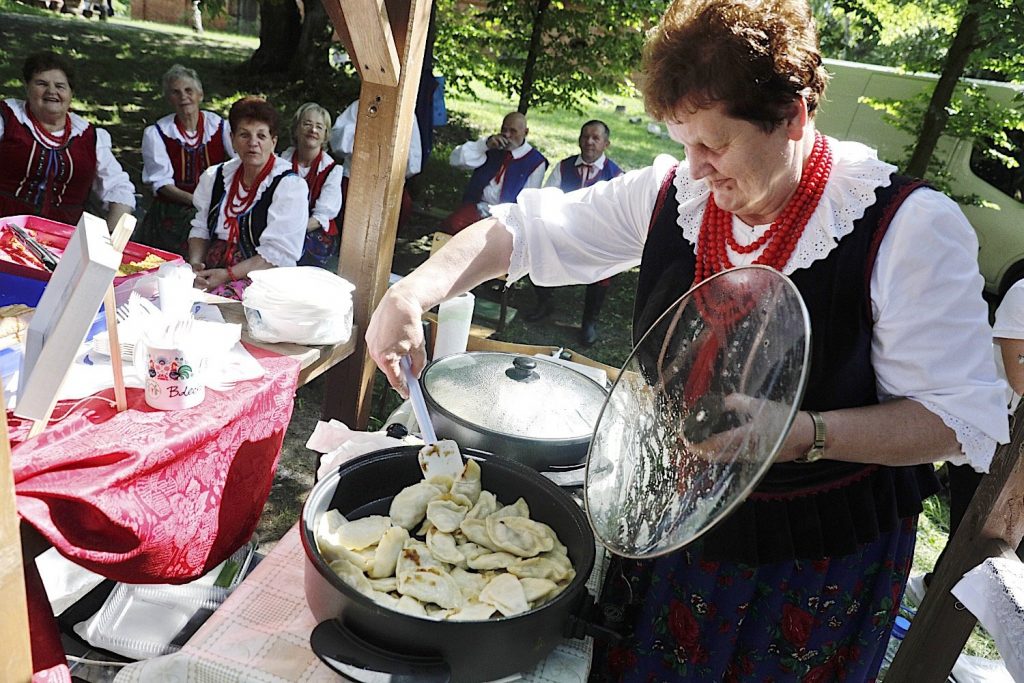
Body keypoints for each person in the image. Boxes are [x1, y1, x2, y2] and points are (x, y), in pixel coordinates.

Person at [365, 0, 1010, 679]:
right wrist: (411, 291)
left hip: (805, 571)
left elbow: (958, 419)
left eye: (716, 143)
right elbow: (525, 232)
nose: (696, 166)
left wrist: (805, 433)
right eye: (683, 141)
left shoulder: (905, 229)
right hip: (665, 540)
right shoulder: (681, 196)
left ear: (793, 114)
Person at [187, 96, 307, 300]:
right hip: (213, 268)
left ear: (274, 142)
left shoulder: (289, 187)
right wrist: (195, 265)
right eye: (244, 135)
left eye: (261, 136)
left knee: (217, 303)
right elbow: (201, 227)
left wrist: (228, 275)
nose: (253, 143)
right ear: (233, 140)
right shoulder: (215, 177)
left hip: (261, 275)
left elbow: (277, 254)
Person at [0, 51, 135, 231]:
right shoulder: (8, 118)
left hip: (62, 239)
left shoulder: (89, 137)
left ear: (71, 93)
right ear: (27, 87)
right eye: (41, 83)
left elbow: (119, 187)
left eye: (60, 86)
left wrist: (110, 241)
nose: (51, 91)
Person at [527, 120, 624, 345]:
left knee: (604, 267)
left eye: (595, 138)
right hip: (563, 230)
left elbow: (616, 216)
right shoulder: (563, 167)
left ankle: (589, 321)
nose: (589, 142)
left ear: (606, 144)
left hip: (595, 239)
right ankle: (544, 301)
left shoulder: (617, 176)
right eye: (585, 136)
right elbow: (547, 197)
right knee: (536, 246)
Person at [137, 64, 234, 256]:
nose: (183, 97)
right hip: (175, 209)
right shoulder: (157, 133)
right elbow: (163, 184)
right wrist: (198, 202)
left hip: (216, 204)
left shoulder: (220, 126)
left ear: (200, 94)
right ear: (169, 99)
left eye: (189, 90)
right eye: (176, 92)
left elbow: (242, 161)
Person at [441, 111, 547, 234]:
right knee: (453, 225)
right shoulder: (491, 147)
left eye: (513, 131)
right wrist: (484, 146)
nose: (507, 135)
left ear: (525, 132)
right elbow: (455, 160)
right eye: (504, 130)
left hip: (506, 218)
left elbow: (527, 202)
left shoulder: (535, 162)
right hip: (478, 208)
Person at [329, 98, 421, 234]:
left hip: (389, 182)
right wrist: (365, 135)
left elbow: (414, 161)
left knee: (402, 205)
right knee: (345, 202)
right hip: (356, 177)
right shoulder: (360, 105)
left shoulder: (407, 115)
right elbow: (337, 141)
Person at [281, 102, 345, 268]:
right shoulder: (282, 162)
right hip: (281, 226)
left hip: (313, 232)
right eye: (307, 124)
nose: (313, 130)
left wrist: (288, 233)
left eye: (319, 127)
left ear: (325, 135)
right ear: (296, 129)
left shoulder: (332, 170)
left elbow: (321, 217)